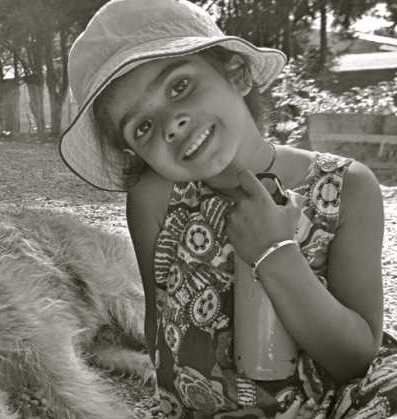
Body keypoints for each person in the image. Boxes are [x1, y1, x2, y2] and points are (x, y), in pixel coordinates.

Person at [59, 0, 396, 417]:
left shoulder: (347, 188)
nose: (171, 124)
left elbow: (356, 360)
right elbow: (161, 333)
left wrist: (276, 255)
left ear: (236, 73)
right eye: (143, 127)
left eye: (180, 86)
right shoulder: (154, 201)